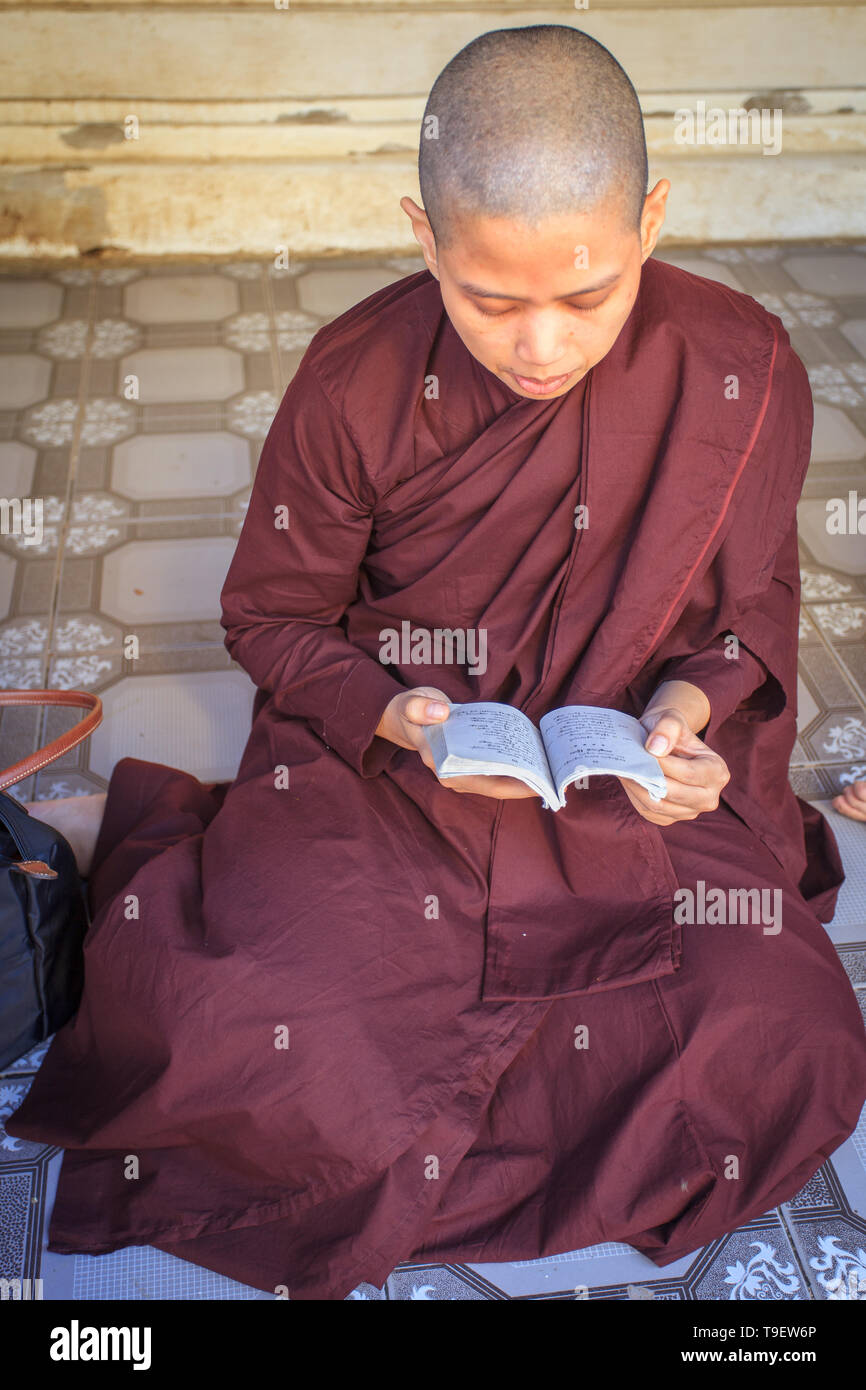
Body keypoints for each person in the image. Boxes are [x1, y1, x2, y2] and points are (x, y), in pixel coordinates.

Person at [8, 24, 866, 1300]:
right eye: (487, 299)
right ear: (422, 236)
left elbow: (744, 615)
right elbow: (274, 615)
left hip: (617, 800)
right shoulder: (353, 378)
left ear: (650, 221)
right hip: (397, 779)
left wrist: (684, 720)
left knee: (785, 1040)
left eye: (585, 297)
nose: (539, 345)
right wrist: (395, 709)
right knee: (259, 1049)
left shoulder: (735, 367)